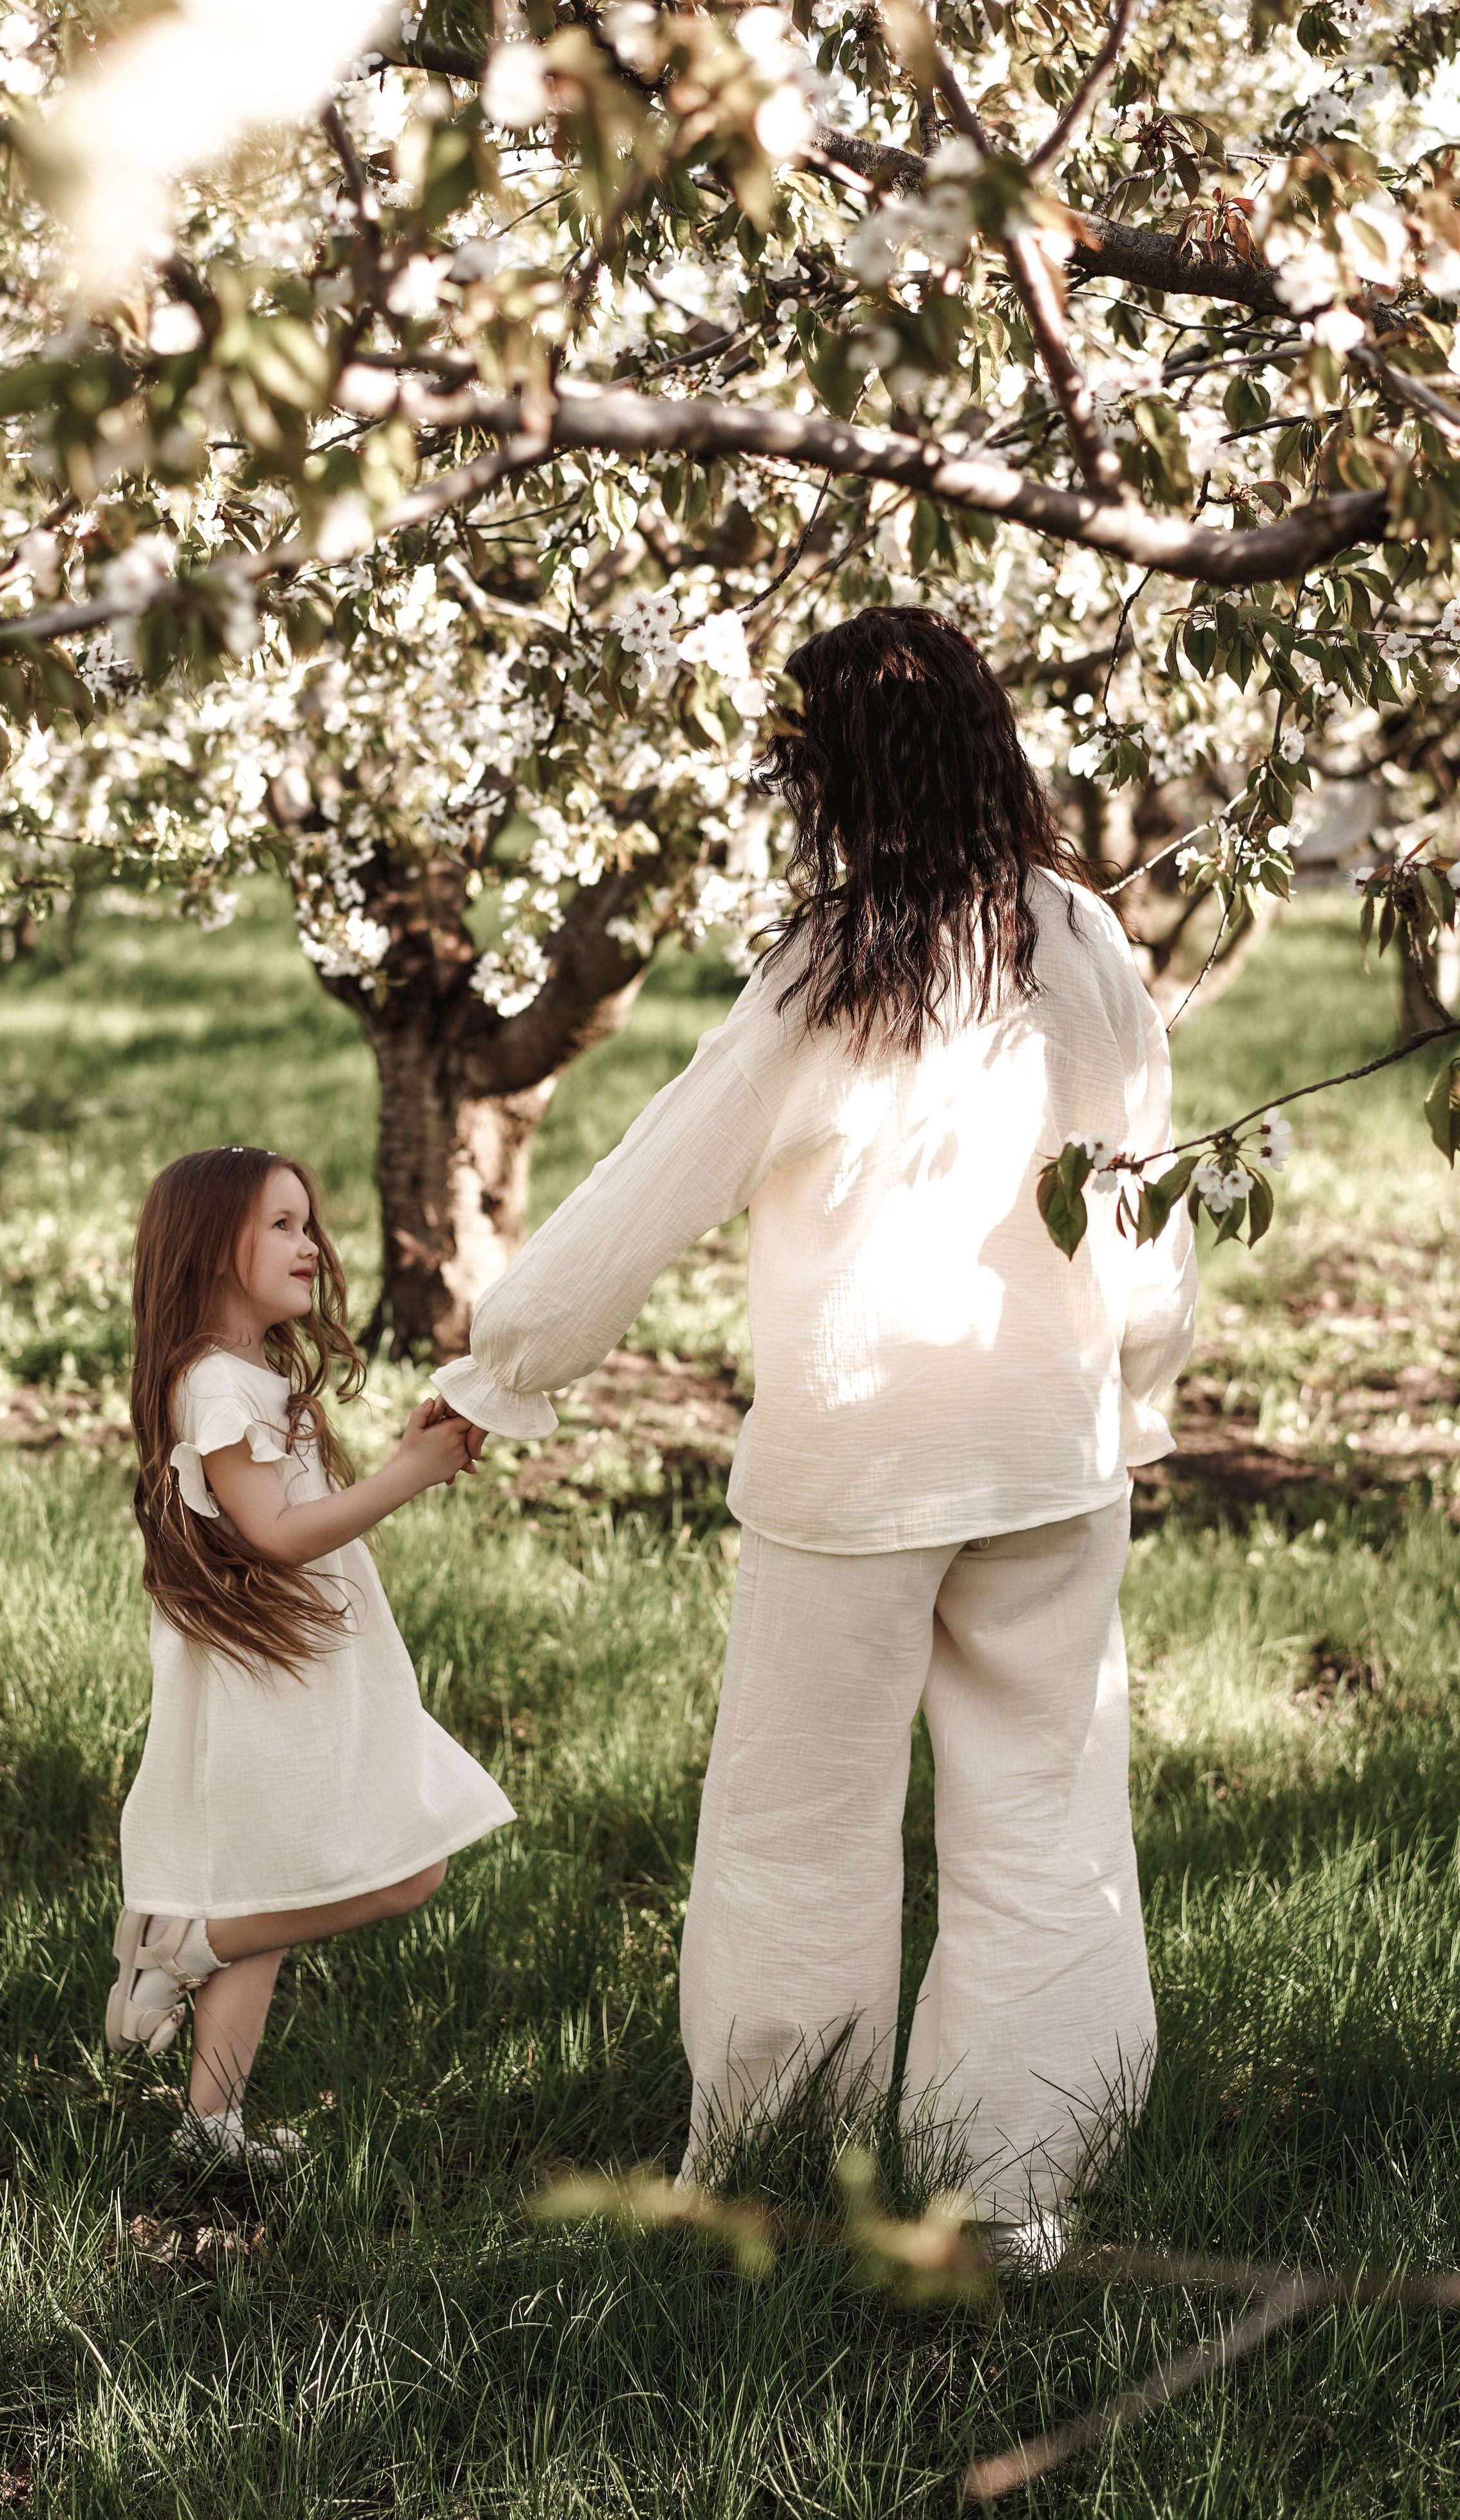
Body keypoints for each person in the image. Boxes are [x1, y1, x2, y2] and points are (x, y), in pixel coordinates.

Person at [431, 606, 1196, 2258]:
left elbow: (660, 1172)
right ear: (991, 743)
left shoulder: (826, 963)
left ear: (828, 776)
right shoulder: (1083, 940)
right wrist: (1139, 1397)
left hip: (854, 1464)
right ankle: (1017, 2179)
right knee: (1045, 1817)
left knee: (798, 1820)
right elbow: (1146, 1197)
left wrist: (511, 1354)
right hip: (1043, 1452)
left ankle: (779, 2156)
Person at [107, 1144, 515, 2168]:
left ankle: (211, 2127)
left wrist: (402, 1456)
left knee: (272, 1883)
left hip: (299, 1655)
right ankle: (189, 1945)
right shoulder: (212, 1381)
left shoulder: (245, 1372)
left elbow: (292, 1510)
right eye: (281, 1225)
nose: (311, 1245)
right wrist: (408, 1475)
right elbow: (275, 1533)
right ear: (209, 1250)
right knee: (409, 1867)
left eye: (308, 1222)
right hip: (274, 1670)